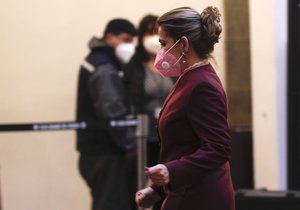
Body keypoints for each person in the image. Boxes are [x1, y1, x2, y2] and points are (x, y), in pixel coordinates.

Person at [135, 6, 235, 210]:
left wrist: (169, 171)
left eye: (164, 44)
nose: (160, 51)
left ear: (184, 44)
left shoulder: (202, 84)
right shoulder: (188, 78)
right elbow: (185, 145)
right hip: (187, 192)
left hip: (201, 198)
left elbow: (218, 147)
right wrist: (157, 190)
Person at [76, 18, 137, 210]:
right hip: (105, 151)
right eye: (125, 39)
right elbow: (111, 110)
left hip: (96, 151)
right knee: (112, 204)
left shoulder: (99, 60)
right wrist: (130, 144)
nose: (129, 46)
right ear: (109, 37)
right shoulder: (104, 66)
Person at [124, 14, 175, 210]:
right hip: (143, 136)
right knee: (136, 185)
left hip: (167, 134)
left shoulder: (172, 63)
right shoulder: (135, 66)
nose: (152, 38)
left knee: (165, 186)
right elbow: (129, 99)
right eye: (148, 33)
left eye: (156, 33)